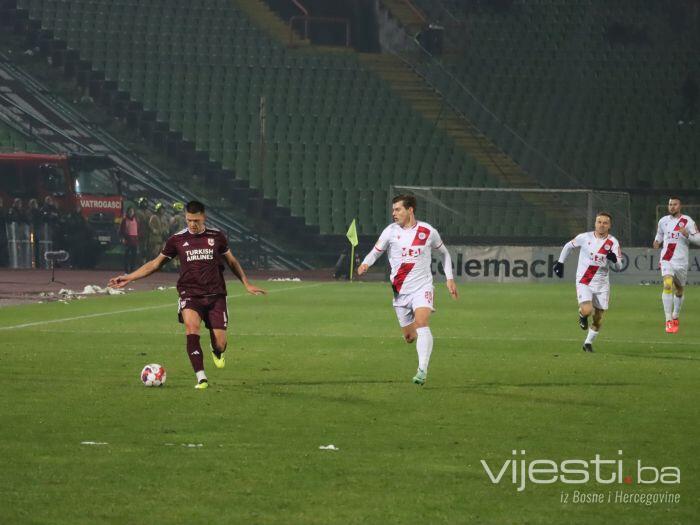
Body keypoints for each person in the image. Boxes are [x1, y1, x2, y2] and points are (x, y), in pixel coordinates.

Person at [108, 200, 266, 389]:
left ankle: (217, 350)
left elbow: (232, 261)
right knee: (191, 329)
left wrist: (246, 283)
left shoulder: (217, 236)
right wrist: (129, 277)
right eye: (189, 220)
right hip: (189, 293)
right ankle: (201, 378)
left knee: (220, 343)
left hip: (216, 295)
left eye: (196, 220)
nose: (192, 224)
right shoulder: (177, 240)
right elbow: (155, 264)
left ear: (204, 217)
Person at [357, 194, 458, 385]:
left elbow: (444, 254)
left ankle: (422, 370)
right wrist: (365, 264)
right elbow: (376, 251)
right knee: (410, 337)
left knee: (422, 322)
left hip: (423, 287)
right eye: (393, 209)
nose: (394, 213)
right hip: (400, 290)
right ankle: (416, 345)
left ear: (410, 210)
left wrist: (449, 279)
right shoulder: (390, 231)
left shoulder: (427, 231)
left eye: (398, 209)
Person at [553, 212, 622, 352]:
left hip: (602, 283)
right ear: (595, 223)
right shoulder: (584, 237)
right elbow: (568, 246)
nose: (601, 225)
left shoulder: (613, 242)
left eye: (605, 223)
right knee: (587, 310)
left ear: (610, 225)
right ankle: (582, 315)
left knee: (598, 317)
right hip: (586, 278)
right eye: (599, 222)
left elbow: (618, 267)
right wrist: (560, 263)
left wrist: (614, 259)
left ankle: (588, 343)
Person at [653, 197, 699, 333]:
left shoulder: (687, 221)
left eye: (675, 204)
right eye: (670, 204)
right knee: (667, 284)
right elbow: (659, 235)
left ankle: (675, 315)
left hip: (681, 262)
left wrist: (687, 235)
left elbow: (698, 239)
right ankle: (668, 320)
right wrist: (656, 242)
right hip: (667, 259)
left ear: (680, 206)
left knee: (679, 290)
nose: (672, 207)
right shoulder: (663, 221)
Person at [119, 206, 139, 273]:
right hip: (128, 240)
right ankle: (126, 271)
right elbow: (121, 230)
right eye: (130, 211)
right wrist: (123, 238)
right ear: (127, 212)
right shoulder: (125, 220)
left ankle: (132, 270)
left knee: (134, 256)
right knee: (127, 256)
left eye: (132, 211)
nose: (131, 213)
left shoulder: (136, 220)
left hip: (135, 240)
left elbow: (138, 229)